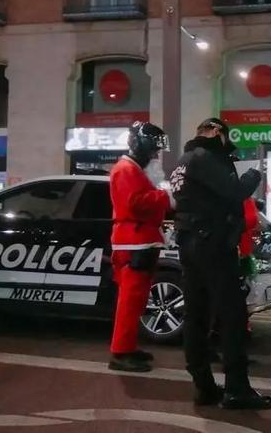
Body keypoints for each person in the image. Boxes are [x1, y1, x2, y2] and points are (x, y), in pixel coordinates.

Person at [169, 118, 271, 409]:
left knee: (197, 315)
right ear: (216, 132)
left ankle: (203, 386)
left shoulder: (184, 159)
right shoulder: (205, 157)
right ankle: (237, 389)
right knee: (231, 315)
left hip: (190, 242)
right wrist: (254, 175)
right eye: (225, 137)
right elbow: (234, 193)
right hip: (211, 243)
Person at [108, 121, 174, 373]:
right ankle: (121, 353)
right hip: (134, 240)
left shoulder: (133, 169)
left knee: (136, 300)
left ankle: (127, 346)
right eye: (154, 148)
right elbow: (135, 203)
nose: (156, 154)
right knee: (130, 299)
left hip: (140, 238)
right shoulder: (126, 170)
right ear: (141, 144)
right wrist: (167, 197)